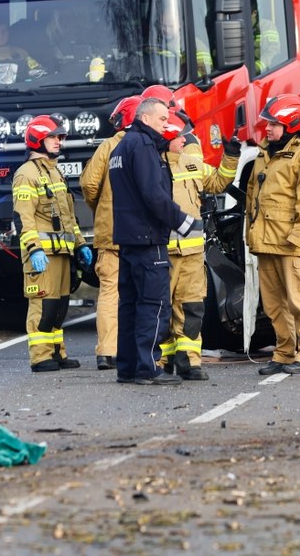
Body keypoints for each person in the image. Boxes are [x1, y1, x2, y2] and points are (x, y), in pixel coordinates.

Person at [108, 98, 199, 386]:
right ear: (145, 119)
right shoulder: (143, 146)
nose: (166, 124)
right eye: (161, 119)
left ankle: (128, 367)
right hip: (148, 239)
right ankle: (148, 367)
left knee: (131, 305)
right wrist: (184, 222)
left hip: (128, 239)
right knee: (153, 304)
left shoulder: (121, 147)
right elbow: (153, 195)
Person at [245, 94, 300, 376]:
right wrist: (251, 235)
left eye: (273, 124)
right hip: (267, 241)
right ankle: (284, 353)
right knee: (274, 305)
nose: (267, 128)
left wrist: (298, 238)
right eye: (267, 123)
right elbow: (253, 197)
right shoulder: (265, 152)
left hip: (293, 244)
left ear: (290, 124)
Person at [157, 113, 240, 380]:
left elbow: (217, 182)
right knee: (161, 308)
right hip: (163, 252)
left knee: (192, 307)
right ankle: (160, 360)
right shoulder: (152, 167)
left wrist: (231, 157)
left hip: (192, 253)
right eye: (179, 136)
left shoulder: (192, 163)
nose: (185, 140)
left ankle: (189, 362)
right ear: (166, 139)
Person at [13, 115, 92, 372]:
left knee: (59, 307)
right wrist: (33, 249)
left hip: (62, 252)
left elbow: (68, 216)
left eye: (61, 137)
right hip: (42, 255)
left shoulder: (55, 171)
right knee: (43, 306)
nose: (59, 142)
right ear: (37, 139)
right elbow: (23, 217)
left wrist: (80, 244)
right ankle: (40, 357)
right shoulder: (26, 174)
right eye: (54, 137)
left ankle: (57, 353)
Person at [80, 95, 143, 371]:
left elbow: (89, 184)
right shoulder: (146, 145)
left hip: (111, 233)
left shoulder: (108, 146)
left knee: (110, 292)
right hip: (141, 234)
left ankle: (107, 352)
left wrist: (102, 208)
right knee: (144, 292)